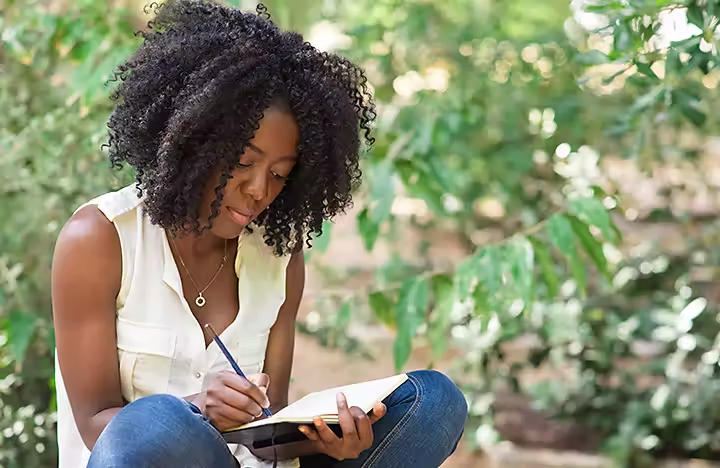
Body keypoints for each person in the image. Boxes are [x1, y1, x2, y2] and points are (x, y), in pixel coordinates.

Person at [50, 1, 468, 467]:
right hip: (143, 456)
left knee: (434, 401)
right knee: (155, 426)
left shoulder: (278, 255)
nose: (258, 191)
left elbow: (271, 432)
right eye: (244, 163)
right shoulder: (100, 239)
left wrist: (328, 446)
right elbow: (93, 422)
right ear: (195, 142)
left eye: (280, 174)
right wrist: (197, 409)